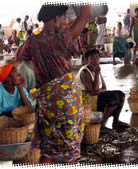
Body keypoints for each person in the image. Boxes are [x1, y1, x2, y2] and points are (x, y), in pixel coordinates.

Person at [19, 3, 92, 164]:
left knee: (48, 148)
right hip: (65, 102)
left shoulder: (32, 41)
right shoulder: (62, 38)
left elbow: (23, 58)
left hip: (46, 102)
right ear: (56, 18)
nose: (65, 21)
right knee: (69, 149)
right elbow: (85, 15)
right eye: (63, 17)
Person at [76, 49, 126, 132]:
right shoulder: (85, 71)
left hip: (96, 95)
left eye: (97, 57)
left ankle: (116, 121)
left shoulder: (96, 69)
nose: (95, 60)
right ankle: (102, 125)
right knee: (113, 99)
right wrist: (97, 74)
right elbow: (92, 91)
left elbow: (104, 87)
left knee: (121, 95)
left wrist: (98, 90)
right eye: (91, 58)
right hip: (87, 100)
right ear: (87, 60)